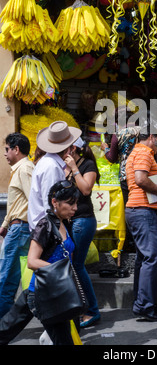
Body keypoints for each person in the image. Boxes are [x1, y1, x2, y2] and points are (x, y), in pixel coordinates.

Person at [125, 124, 157, 321]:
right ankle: (145, 305)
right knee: (152, 258)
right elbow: (141, 179)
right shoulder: (144, 152)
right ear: (151, 136)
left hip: (138, 210)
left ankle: (143, 300)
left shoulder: (135, 152)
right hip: (143, 211)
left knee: (143, 259)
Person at [27, 180, 80, 345]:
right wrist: (60, 270)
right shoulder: (45, 225)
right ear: (54, 202)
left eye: (76, 203)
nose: (75, 208)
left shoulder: (65, 222)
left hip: (60, 291)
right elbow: (31, 261)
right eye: (70, 203)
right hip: (44, 294)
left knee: (65, 336)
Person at [64, 137, 101, 328]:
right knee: (73, 266)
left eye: (66, 147)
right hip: (71, 221)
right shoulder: (65, 166)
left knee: (77, 265)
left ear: (74, 148)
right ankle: (82, 308)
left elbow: (86, 190)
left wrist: (74, 168)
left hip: (83, 220)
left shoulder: (87, 165)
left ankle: (92, 311)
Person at [0, 133, 34, 319]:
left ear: (16, 149)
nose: (5, 154)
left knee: (6, 281)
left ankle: (4, 325)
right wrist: (5, 224)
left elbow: (33, 201)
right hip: (16, 227)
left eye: (7, 149)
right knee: (8, 279)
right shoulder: (20, 169)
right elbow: (16, 203)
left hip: (21, 229)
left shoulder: (25, 169)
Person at [28, 120, 82, 230]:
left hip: (45, 227)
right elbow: (50, 203)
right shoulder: (51, 166)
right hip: (46, 229)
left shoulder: (48, 162)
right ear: (68, 149)